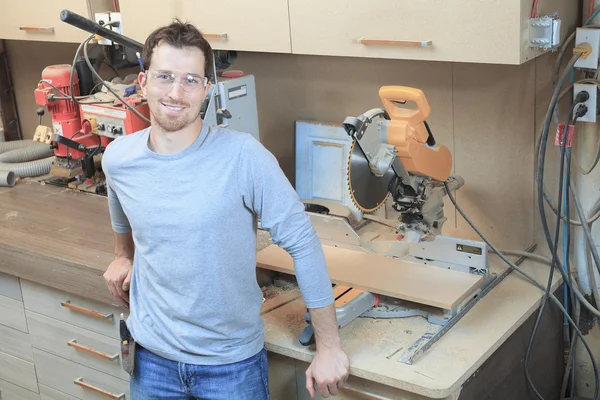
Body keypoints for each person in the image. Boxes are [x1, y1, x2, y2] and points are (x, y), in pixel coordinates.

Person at [101, 19, 350, 400]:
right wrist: (123, 255)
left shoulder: (244, 157)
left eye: (190, 80)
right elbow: (121, 205)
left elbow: (303, 243)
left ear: (208, 90)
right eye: (165, 76)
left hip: (229, 367)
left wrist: (329, 347)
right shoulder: (118, 158)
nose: (176, 92)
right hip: (151, 361)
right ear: (143, 81)